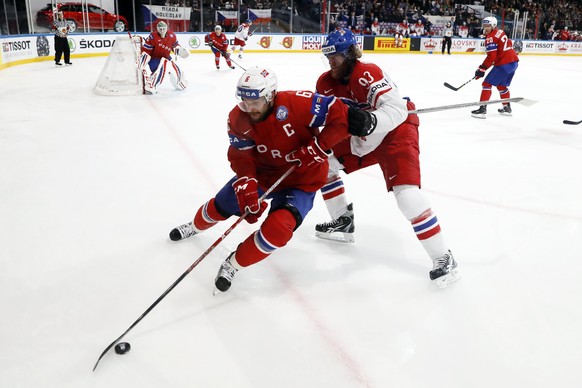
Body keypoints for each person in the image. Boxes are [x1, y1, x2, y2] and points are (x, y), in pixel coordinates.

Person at [169, 66, 351, 293]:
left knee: (279, 229)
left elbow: (340, 112)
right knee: (221, 206)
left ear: (270, 95)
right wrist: (246, 184)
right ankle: (195, 226)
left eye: (255, 101)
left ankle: (233, 264)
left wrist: (320, 147)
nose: (249, 107)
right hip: (263, 175)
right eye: (244, 100)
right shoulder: (238, 118)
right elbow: (241, 156)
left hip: (301, 181)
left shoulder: (296, 103)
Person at [316, 28, 459, 288]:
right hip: (364, 138)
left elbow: (396, 109)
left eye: (334, 55)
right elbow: (328, 119)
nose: (329, 61)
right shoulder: (325, 83)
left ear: (349, 53)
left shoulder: (366, 73)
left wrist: (371, 121)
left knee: (407, 196)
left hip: (396, 131)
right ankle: (342, 222)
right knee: (323, 166)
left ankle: (443, 257)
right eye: (327, 56)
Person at [471, 16, 519, 118]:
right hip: (513, 63)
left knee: (486, 84)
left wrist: (482, 68)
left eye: (488, 26)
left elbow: (491, 56)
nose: (486, 28)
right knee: (501, 85)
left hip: (504, 64)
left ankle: (482, 109)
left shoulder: (490, 38)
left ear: (493, 25)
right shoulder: (500, 31)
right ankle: (506, 108)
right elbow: (508, 43)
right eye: (484, 25)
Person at [138, 21, 189, 94]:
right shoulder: (153, 36)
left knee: (176, 70)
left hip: (166, 57)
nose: (162, 30)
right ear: (157, 29)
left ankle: (180, 83)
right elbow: (146, 50)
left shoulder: (172, 36)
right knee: (161, 69)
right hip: (154, 59)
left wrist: (179, 50)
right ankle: (151, 86)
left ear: (167, 28)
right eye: (160, 29)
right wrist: (144, 58)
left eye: (163, 28)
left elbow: (175, 45)